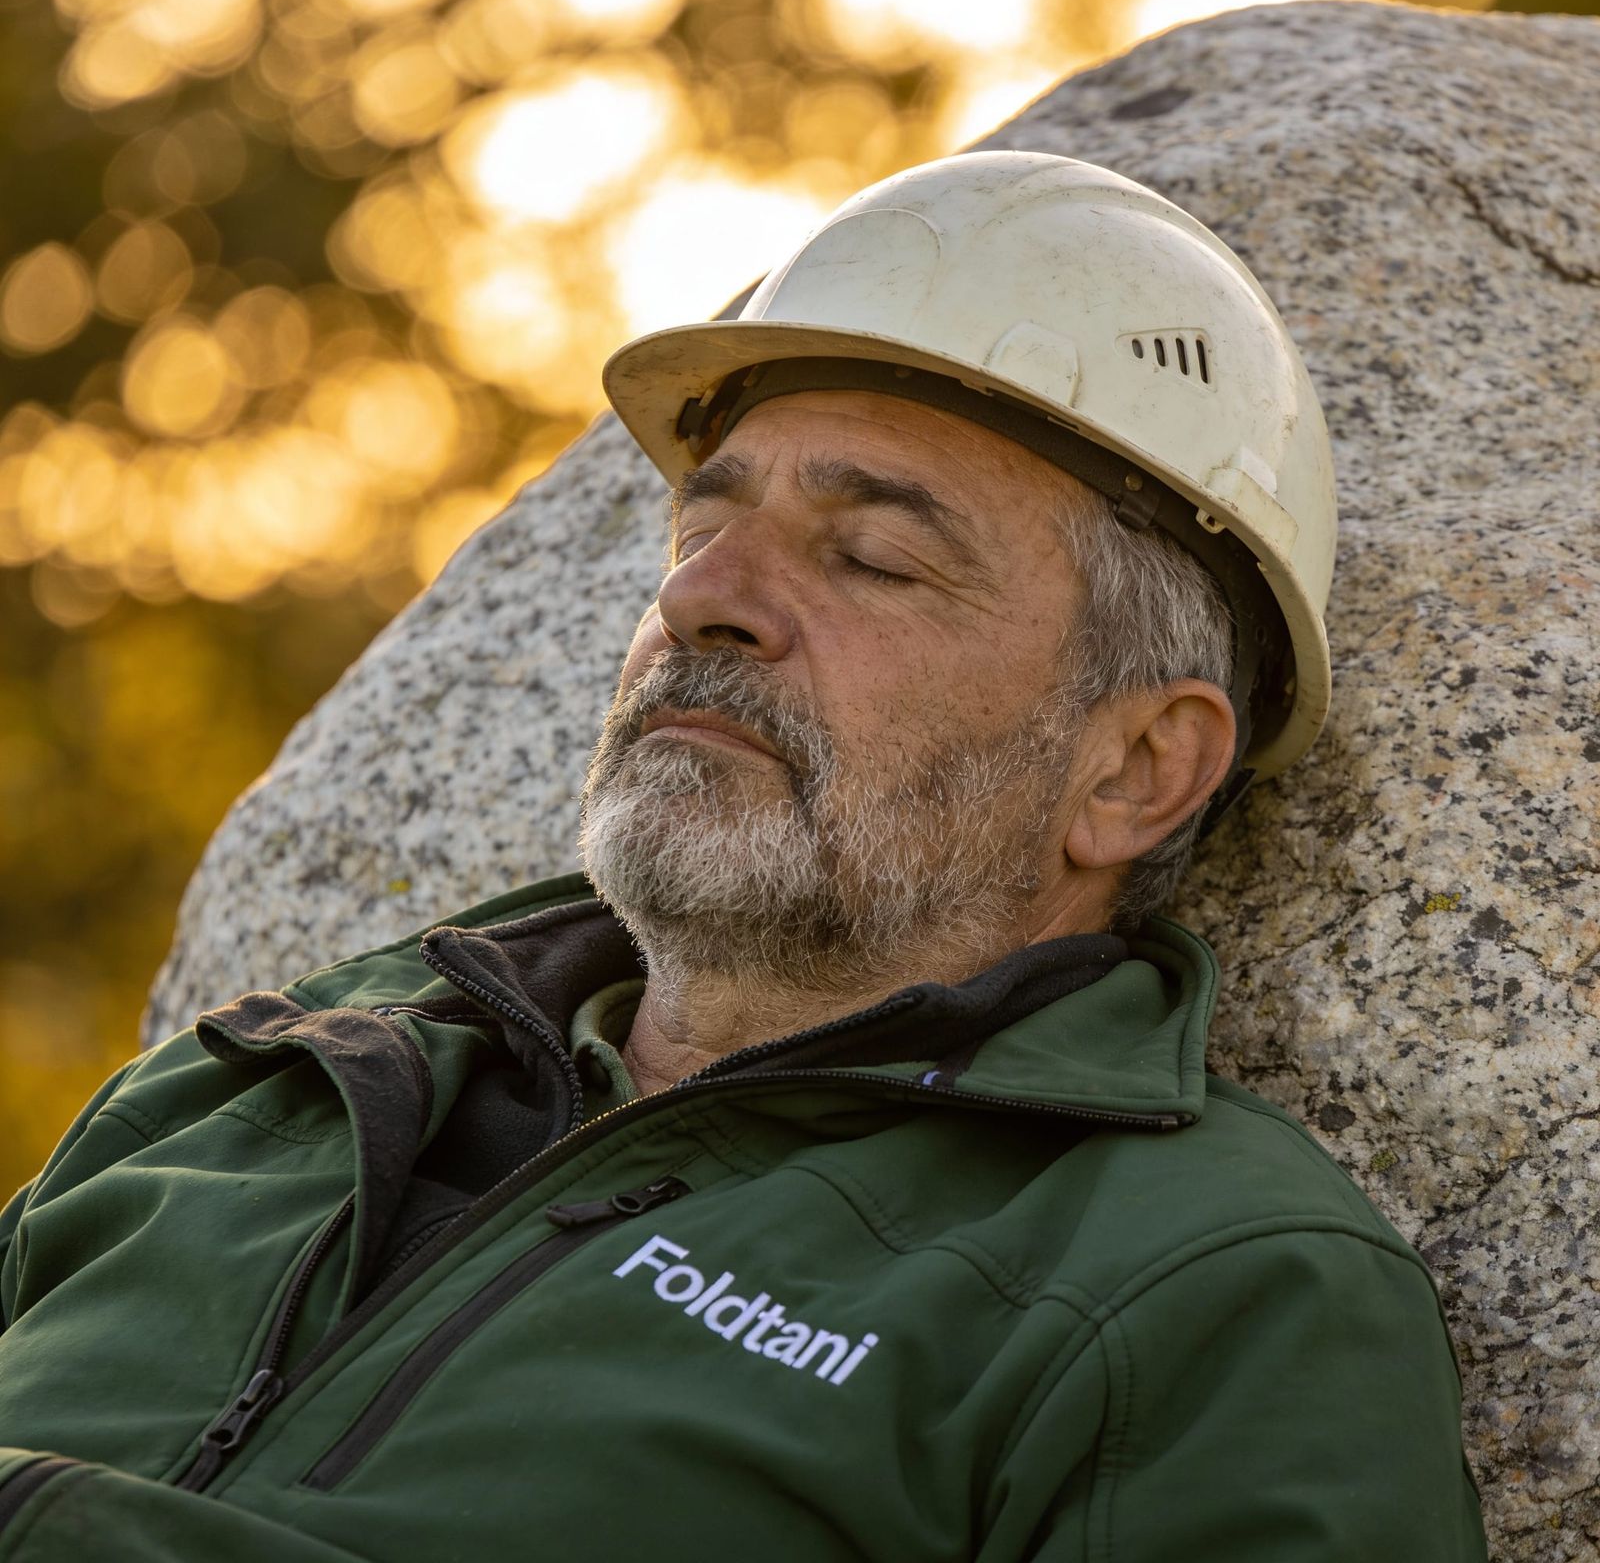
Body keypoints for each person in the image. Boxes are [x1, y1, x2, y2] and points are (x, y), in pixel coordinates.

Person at [0, 152, 1486, 1560]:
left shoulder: (1214, 1288)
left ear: (1135, 768)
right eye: (698, 530)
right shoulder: (261, 1084)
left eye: (872, 557)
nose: (702, 598)